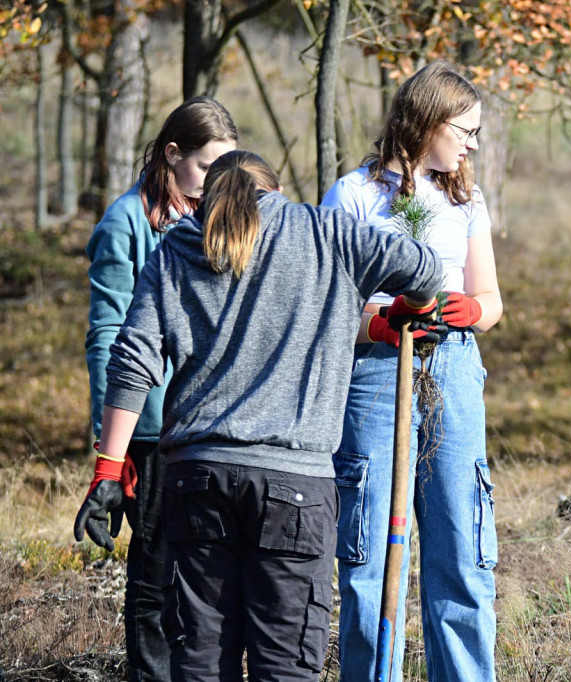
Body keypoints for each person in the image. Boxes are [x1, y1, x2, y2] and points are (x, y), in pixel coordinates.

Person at [73, 150, 443, 681]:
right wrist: (415, 307)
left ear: (211, 198)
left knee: (199, 663)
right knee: (285, 668)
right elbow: (425, 267)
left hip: (196, 482)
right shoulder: (327, 232)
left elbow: (132, 362)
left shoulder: (179, 244)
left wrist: (109, 470)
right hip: (295, 488)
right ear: (275, 191)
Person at [320, 60, 503, 681]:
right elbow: (327, 302)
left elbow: (493, 302)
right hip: (376, 373)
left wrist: (471, 309)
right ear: (426, 120)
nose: (472, 143)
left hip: (452, 365)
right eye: (464, 128)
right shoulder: (353, 195)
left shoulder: (466, 199)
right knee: (372, 554)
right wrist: (382, 319)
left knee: (463, 548)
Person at [76, 96, 237, 682]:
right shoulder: (125, 224)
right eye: (203, 168)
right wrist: (111, 456)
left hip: (213, 422)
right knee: (155, 576)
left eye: (225, 170)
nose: (212, 184)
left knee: (207, 574)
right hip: (150, 429)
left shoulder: (216, 221)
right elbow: (110, 338)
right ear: (172, 155)